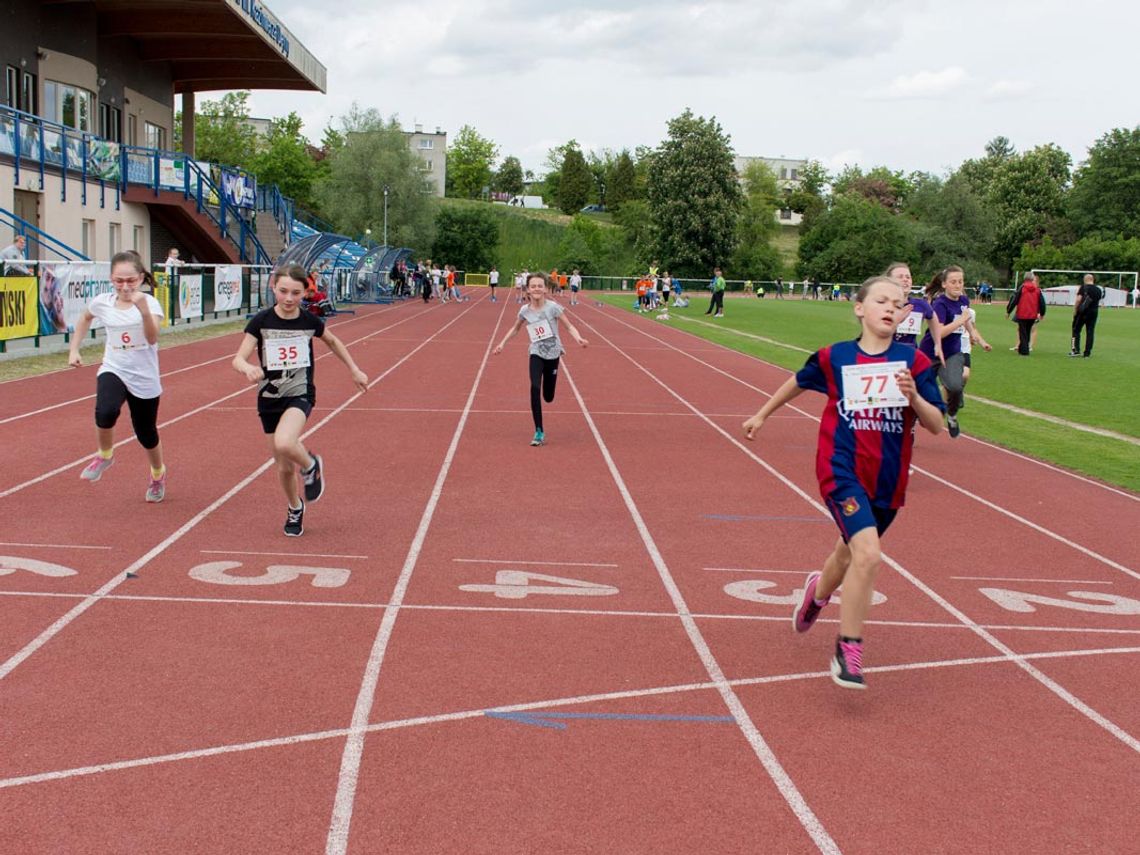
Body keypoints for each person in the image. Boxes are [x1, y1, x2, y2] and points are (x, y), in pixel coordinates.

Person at [742, 275, 945, 689]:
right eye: (881, 301)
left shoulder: (914, 364)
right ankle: (848, 650)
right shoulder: (835, 357)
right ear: (860, 309)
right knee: (868, 554)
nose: (890, 308)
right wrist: (762, 414)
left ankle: (817, 593)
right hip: (841, 470)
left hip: (887, 480)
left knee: (847, 555)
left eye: (898, 303)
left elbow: (937, 424)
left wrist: (914, 398)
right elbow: (797, 382)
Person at [232, 263, 369, 536]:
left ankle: (310, 464)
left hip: (300, 393)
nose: (288, 298)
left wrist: (354, 369)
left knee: (286, 442)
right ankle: (295, 507)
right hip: (269, 397)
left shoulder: (309, 321)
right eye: (283, 291)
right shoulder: (261, 321)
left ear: (305, 293)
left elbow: (333, 342)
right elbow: (238, 358)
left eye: (295, 293)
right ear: (274, 288)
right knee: (282, 465)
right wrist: (248, 368)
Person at [68, 251, 168, 502]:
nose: (125, 286)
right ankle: (105, 455)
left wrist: (143, 311)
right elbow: (84, 318)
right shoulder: (102, 301)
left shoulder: (150, 303)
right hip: (114, 367)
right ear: (111, 279)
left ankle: (158, 474)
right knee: (105, 410)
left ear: (141, 278)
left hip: (144, 376)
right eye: (119, 281)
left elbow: (152, 337)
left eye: (131, 281)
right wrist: (74, 349)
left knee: (145, 432)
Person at [493, 271, 588, 446]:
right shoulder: (524, 310)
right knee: (535, 387)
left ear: (545, 289)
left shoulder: (553, 308)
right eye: (533, 286)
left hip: (553, 354)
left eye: (539, 286)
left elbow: (568, 326)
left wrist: (578, 338)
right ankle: (539, 431)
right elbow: (515, 329)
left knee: (548, 396)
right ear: (527, 290)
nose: (536, 288)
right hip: (536, 352)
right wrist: (502, 343)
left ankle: (548, 392)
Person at [919, 266, 973, 438]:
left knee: (956, 386)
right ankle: (911, 425)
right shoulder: (940, 304)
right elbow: (939, 332)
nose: (958, 285)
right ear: (944, 284)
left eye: (960, 281)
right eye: (953, 282)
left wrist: (974, 335)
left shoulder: (964, 300)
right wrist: (961, 321)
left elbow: (966, 320)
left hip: (952, 353)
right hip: (930, 352)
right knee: (919, 390)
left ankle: (952, 415)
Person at [885, 262, 942, 363]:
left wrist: (937, 343)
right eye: (900, 277)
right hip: (886, 357)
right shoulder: (882, 305)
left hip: (911, 357)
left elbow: (933, 317)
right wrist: (896, 320)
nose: (905, 279)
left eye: (908, 277)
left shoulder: (920, 305)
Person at [1006, 271, 1046, 357]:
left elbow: (1015, 300)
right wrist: (1042, 313)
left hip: (1022, 314)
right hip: (1032, 315)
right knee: (1027, 332)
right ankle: (1023, 348)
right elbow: (1042, 303)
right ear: (1032, 279)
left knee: (1023, 332)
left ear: (1024, 278)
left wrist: (1009, 311)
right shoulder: (1037, 290)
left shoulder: (1022, 288)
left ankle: (1024, 351)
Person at [1070, 273, 1102, 358]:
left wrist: (1075, 310)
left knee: (1076, 330)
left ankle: (1075, 349)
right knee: (1090, 332)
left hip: (1083, 312)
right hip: (1094, 311)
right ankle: (1087, 353)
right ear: (1093, 280)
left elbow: (1078, 300)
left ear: (1085, 279)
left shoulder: (1083, 287)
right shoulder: (1098, 290)